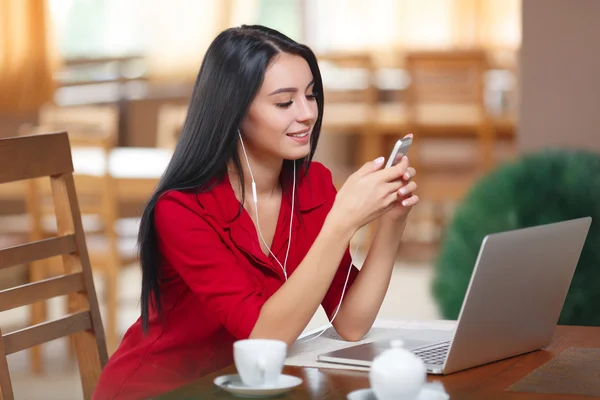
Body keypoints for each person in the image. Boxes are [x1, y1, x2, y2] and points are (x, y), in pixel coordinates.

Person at [92, 25, 418, 400]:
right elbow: (265, 338)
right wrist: (342, 221)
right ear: (234, 112)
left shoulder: (312, 185)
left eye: (311, 95)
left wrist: (392, 222)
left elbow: (351, 322)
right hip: (164, 390)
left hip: (246, 387)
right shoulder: (180, 210)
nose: (308, 113)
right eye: (285, 102)